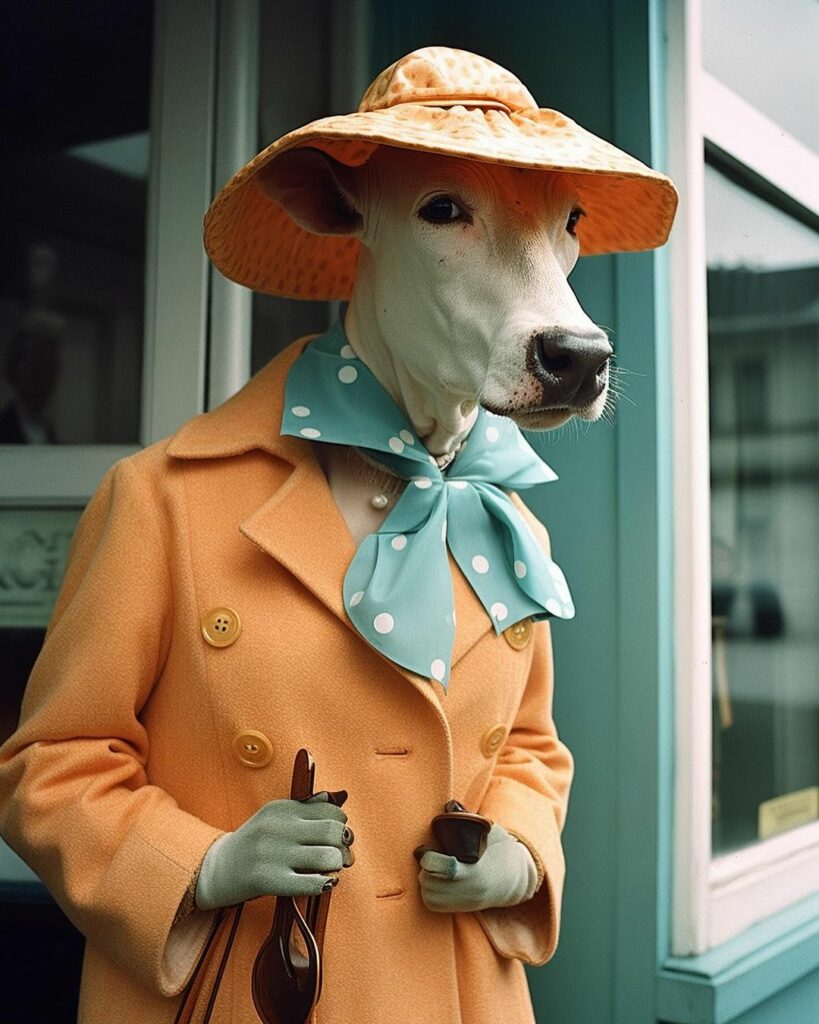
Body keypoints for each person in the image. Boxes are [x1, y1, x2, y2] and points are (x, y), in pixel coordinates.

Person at [0, 46, 676, 1024]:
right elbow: (50, 766)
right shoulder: (163, 500)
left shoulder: (502, 513)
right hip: (254, 987)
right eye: (447, 209)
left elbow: (530, 743)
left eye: (559, 224)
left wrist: (519, 853)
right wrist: (205, 861)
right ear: (350, 217)